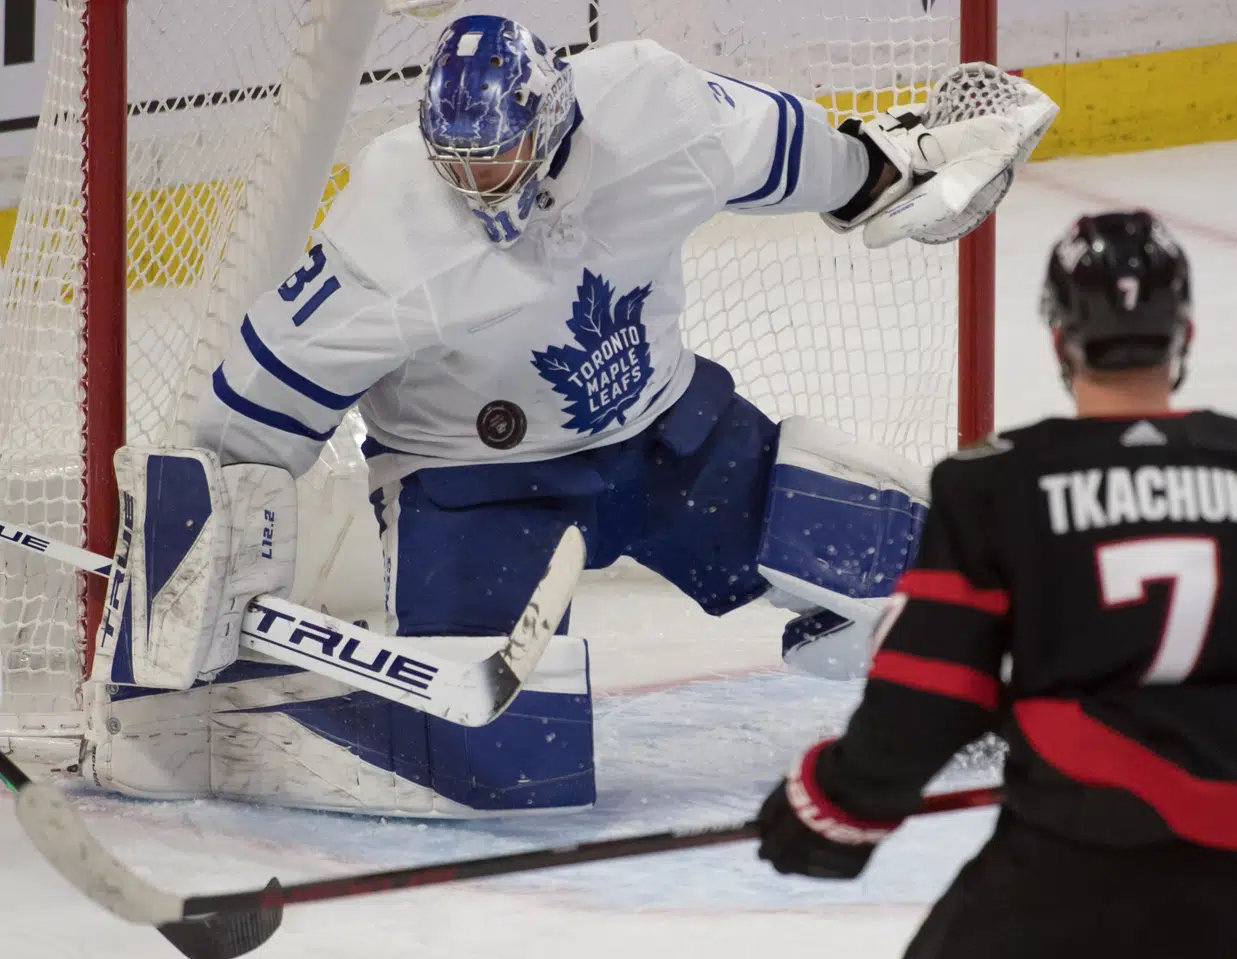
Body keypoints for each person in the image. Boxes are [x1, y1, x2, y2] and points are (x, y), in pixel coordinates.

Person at [77, 15, 1057, 817]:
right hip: (476, 488)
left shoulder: (656, 106)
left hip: (663, 435)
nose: (477, 182)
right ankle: (256, 723)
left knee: (916, 561)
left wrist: (900, 168)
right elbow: (243, 416)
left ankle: (952, 671)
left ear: (549, 117)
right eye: (457, 162)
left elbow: (812, 158)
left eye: (497, 158)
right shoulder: (390, 228)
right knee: (504, 765)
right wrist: (187, 566)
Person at [754, 210, 1237, 958]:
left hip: (1069, 880)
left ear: (1059, 340)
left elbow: (930, 692)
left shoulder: (996, 482)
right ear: (1185, 335)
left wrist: (834, 804)